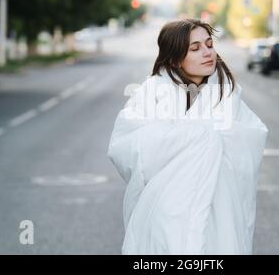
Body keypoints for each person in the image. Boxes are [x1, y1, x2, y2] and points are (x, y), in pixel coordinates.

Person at [107, 19, 269, 254]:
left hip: (219, 210)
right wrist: (199, 136)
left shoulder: (227, 94)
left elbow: (251, 136)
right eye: (195, 48)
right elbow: (126, 145)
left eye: (209, 44)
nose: (207, 53)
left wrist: (208, 137)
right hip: (168, 210)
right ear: (174, 58)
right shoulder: (152, 93)